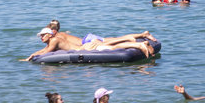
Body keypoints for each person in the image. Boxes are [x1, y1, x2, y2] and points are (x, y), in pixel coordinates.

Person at [22, 27, 156, 61]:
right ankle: (140, 38)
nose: (41, 37)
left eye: (43, 35)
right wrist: (34, 54)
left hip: (87, 46)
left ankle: (139, 45)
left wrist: (32, 55)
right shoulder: (57, 37)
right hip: (87, 43)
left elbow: (46, 51)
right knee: (114, 41)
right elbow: (45, 49)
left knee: (114, 46)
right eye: (40, 36)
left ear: (50, 34)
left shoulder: (55, 40)